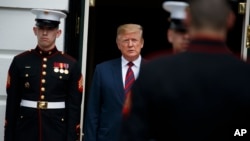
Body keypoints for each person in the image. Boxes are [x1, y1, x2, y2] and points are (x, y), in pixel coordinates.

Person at [120, 0, 250, 140]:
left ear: (188, 19)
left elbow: (134, 133)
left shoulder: (154, 72)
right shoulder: (244, 74)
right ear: (230, 20)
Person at [4, 8, 83, 141]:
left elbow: (74, 106)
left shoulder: (71, 64)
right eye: (41, 28)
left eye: (50, 29)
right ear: (35, 31)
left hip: (57, 130)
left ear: (58, 33)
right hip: (26, 129)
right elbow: (12, 103)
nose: (45, 33)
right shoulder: (20, 61)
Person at [83, 23, 147, 141]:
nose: (130, 45)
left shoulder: (153, 70)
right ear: (118, 44)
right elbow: (93, 112)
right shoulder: (102, 70)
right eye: (125, 40)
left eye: (134, 40)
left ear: (141, 43)